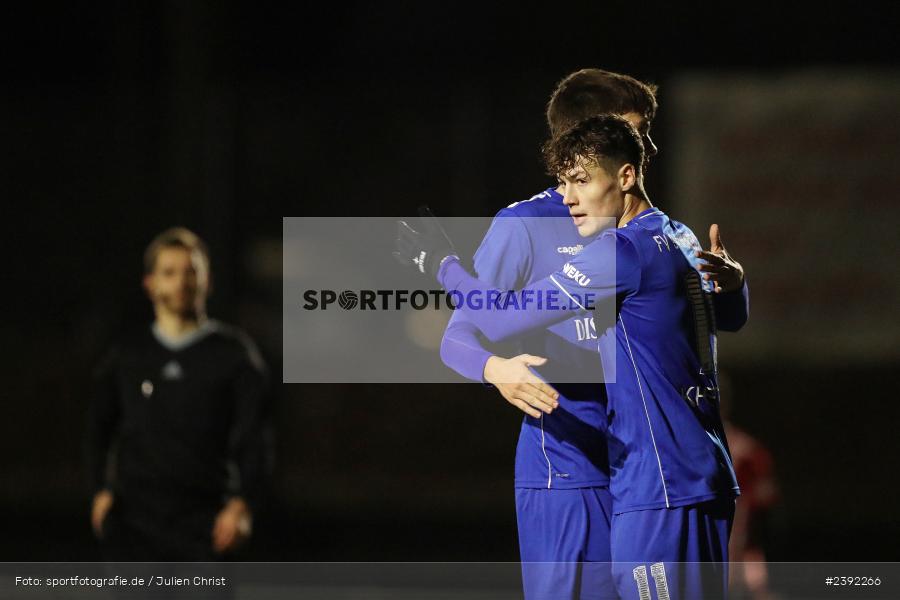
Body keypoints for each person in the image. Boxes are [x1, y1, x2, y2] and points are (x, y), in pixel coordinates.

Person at [395, 114, 748, 599]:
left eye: (581, 180)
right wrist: (736, 285)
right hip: (690, 474)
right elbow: (730, 318)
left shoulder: (622, 253)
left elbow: (499, 320)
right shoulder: (679, 234)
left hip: (661, 487)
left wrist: (442, 265)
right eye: (563, 182)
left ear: (626, 176)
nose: (568, 198)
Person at [86, 227, 271, 561]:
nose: (182, 282)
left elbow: (255, 437)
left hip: (205, 525)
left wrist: (244, 504)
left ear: (207, 281)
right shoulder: (128, 355)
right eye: (170, 272)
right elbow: (98, 427)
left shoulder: (234, 356)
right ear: (150, 283)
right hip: (135, 524)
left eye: (191, 272)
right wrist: (99, 490)